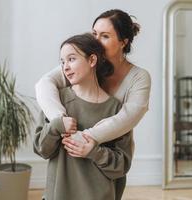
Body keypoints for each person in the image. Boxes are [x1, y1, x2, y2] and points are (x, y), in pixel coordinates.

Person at [35, 9, 151, 199]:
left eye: (105, 36)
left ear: (123, 42)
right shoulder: (80, 66)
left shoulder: (137, 80)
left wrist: (87, 142)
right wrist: (59, 120)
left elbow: (126, 119)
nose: (96, 41)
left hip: (100, 182)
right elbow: (44, 84)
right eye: (94, 34)